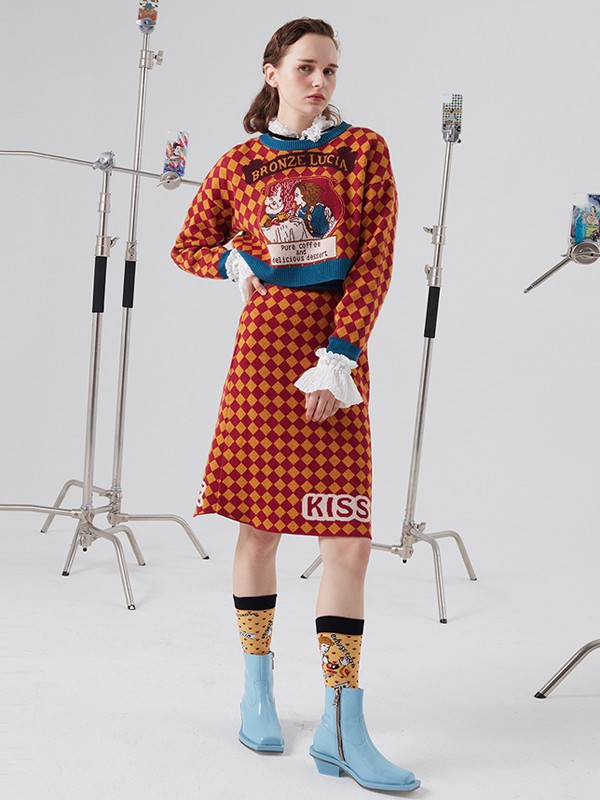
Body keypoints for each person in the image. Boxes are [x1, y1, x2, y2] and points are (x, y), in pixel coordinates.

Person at [171, 17, 420, 793]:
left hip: (334, 355)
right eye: (307, 67)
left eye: (331, 71)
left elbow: (374, 258)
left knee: (348, 541)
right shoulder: (238, 163)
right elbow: (187, 244)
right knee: (260, 529)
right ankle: (257, 689)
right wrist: (228, 260)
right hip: (263, 353)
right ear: (272, 71)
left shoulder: (363, 150)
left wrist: (340, 354)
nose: (320, 82)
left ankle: (342, 722)